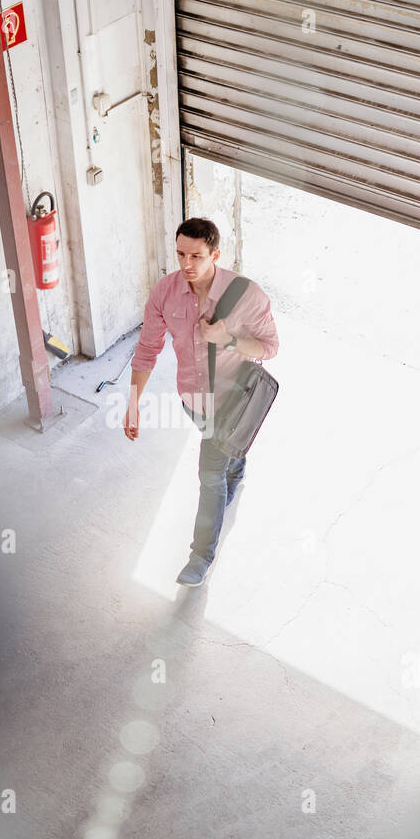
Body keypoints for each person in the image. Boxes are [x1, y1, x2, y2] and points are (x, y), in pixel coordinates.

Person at [124, 218, 280, 587]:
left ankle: (200, 557)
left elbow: (270, 348)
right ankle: (236, 468)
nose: (187, 264)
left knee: (210, 476)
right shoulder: (164, 292)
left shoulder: (248, 294)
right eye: (180, 254)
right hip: (191, 399)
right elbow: (147, 349)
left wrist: (228, 340)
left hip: (232, 401)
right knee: (225, 463)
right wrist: (133, 402)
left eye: (196, 255)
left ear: (216, 254)